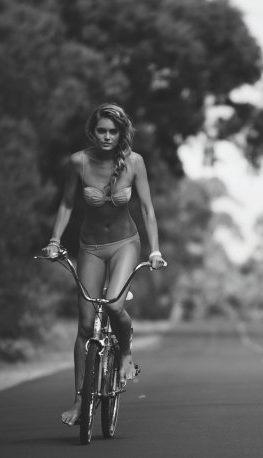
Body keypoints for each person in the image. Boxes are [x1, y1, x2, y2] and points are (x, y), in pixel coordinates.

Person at [41, 103, 166, 426]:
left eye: (113, 131)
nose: (107, 137)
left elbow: (148, 210)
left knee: (112, 305)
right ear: (92, 132)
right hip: (90, 248)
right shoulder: (78, 162)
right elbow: (67, 203)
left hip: (126, 244)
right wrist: (54, 240)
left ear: (121, 133)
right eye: (101, 131)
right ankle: (79, 401)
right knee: (85, 326)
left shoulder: (135, 162)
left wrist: (154, 250)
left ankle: (125, 353)